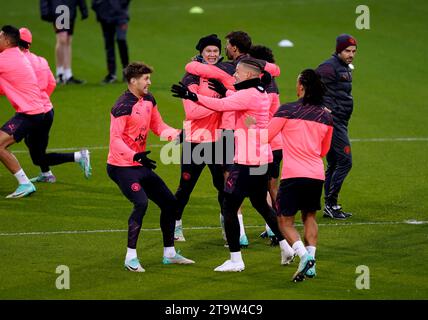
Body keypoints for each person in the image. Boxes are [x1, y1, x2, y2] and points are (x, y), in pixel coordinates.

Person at [172, 58, 295, 272]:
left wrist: (192, 96)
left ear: (248, 75)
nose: (234, 75)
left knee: (229, 206)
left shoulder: (247, 94)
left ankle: (236, 260)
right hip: (262, 158)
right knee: (261, 204)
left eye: (237, 72)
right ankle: (288, 247)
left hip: (246, 159)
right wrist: (226, 91)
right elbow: (238, 99)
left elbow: (221, 105)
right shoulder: (260, 92)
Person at [184, 31, 281, 247]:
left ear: (234, 48)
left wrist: (195, 68)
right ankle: (275, 233)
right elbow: (276, 71)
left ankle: (241, 235)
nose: (224, 50)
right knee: (262, 189)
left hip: (231, 133)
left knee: (230, 186)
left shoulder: (227, 68)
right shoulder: (262, 72)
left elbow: (192, 68)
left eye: (226, 46)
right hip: (262, 139)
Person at [107, 62, 194, 272]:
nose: (149, 82)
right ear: (133, 81)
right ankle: (130, 257)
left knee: (170, 204)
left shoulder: (149, 100)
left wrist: (178, 134)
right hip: (121, 166)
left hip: (140, 164)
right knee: (141, 203)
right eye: (145, 79)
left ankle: (170, 254)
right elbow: (115, 140)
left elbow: (158, 126)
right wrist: (134, 154)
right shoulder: (122, 107)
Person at [267, 69, 333, 282]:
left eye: (297, 83)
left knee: (284, 221)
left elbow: (266, 136)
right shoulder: (326, 116)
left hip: (293, 174)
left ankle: (304, 256)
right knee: (309, 217)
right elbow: (324, 151)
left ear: (302, 86)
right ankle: (312, 264)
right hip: (316, 173)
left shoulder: (287, 110)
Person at [173, 34, 229, 242]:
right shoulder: (191, 77)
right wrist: (221, 104)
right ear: (201, 53)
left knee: (224, 188)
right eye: (208, 51)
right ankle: (176, 225)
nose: (213, 54)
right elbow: (192, 112)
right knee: (185, 187)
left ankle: (227, 225)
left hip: (219, 141)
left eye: (215, 50)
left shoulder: (225, 74)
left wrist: (224, 102)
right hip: (195, 140)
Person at [18, 27, 91, 182]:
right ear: (29, 44)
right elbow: (51, 83)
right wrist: (42, 98)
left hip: (34, 113)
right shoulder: (40, 60)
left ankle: (79, 156)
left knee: (37, 156)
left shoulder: (19, 62)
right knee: (31, 143)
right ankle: (46, 174)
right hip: (47, 110)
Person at [316, 34, 357, 220]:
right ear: (339, 50)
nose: (351, 54)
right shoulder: (328, 67)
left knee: (334, 163)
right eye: (347, 51)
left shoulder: (343, 67)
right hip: (333, 122)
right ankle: (331, 203)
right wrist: (325, 110)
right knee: (345, 161)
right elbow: (311, 87)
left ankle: (329, 206)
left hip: (341, 121)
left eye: (353, 51)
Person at [0, 25, 43, 198]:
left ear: (7, 40)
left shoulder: (5, 59)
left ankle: (25, 183)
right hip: (32, 112)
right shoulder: (16, 55)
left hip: (29, 114)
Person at [249, 44, 282, 245]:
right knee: (271, 188)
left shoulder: (261, 89)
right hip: (276, 144)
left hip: (265, 145)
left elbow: (256, 118)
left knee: (261, 192)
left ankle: (277, 229)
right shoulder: (272, 84)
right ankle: (273, 228)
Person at [40, 0, 88, 84]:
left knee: (68, 40)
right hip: (60, 9)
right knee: (62, 39)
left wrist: (83, 8)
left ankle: (67, 74)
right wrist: (44, 11)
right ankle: (60, 73)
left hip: (71, 9)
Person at [91, 0, 130, 84]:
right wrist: (99, 8)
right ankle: (112, 74)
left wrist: (119, 6)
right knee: (109, 44)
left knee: (121, 40)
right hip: (105, 16)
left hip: (120, 16)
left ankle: (126, 71)